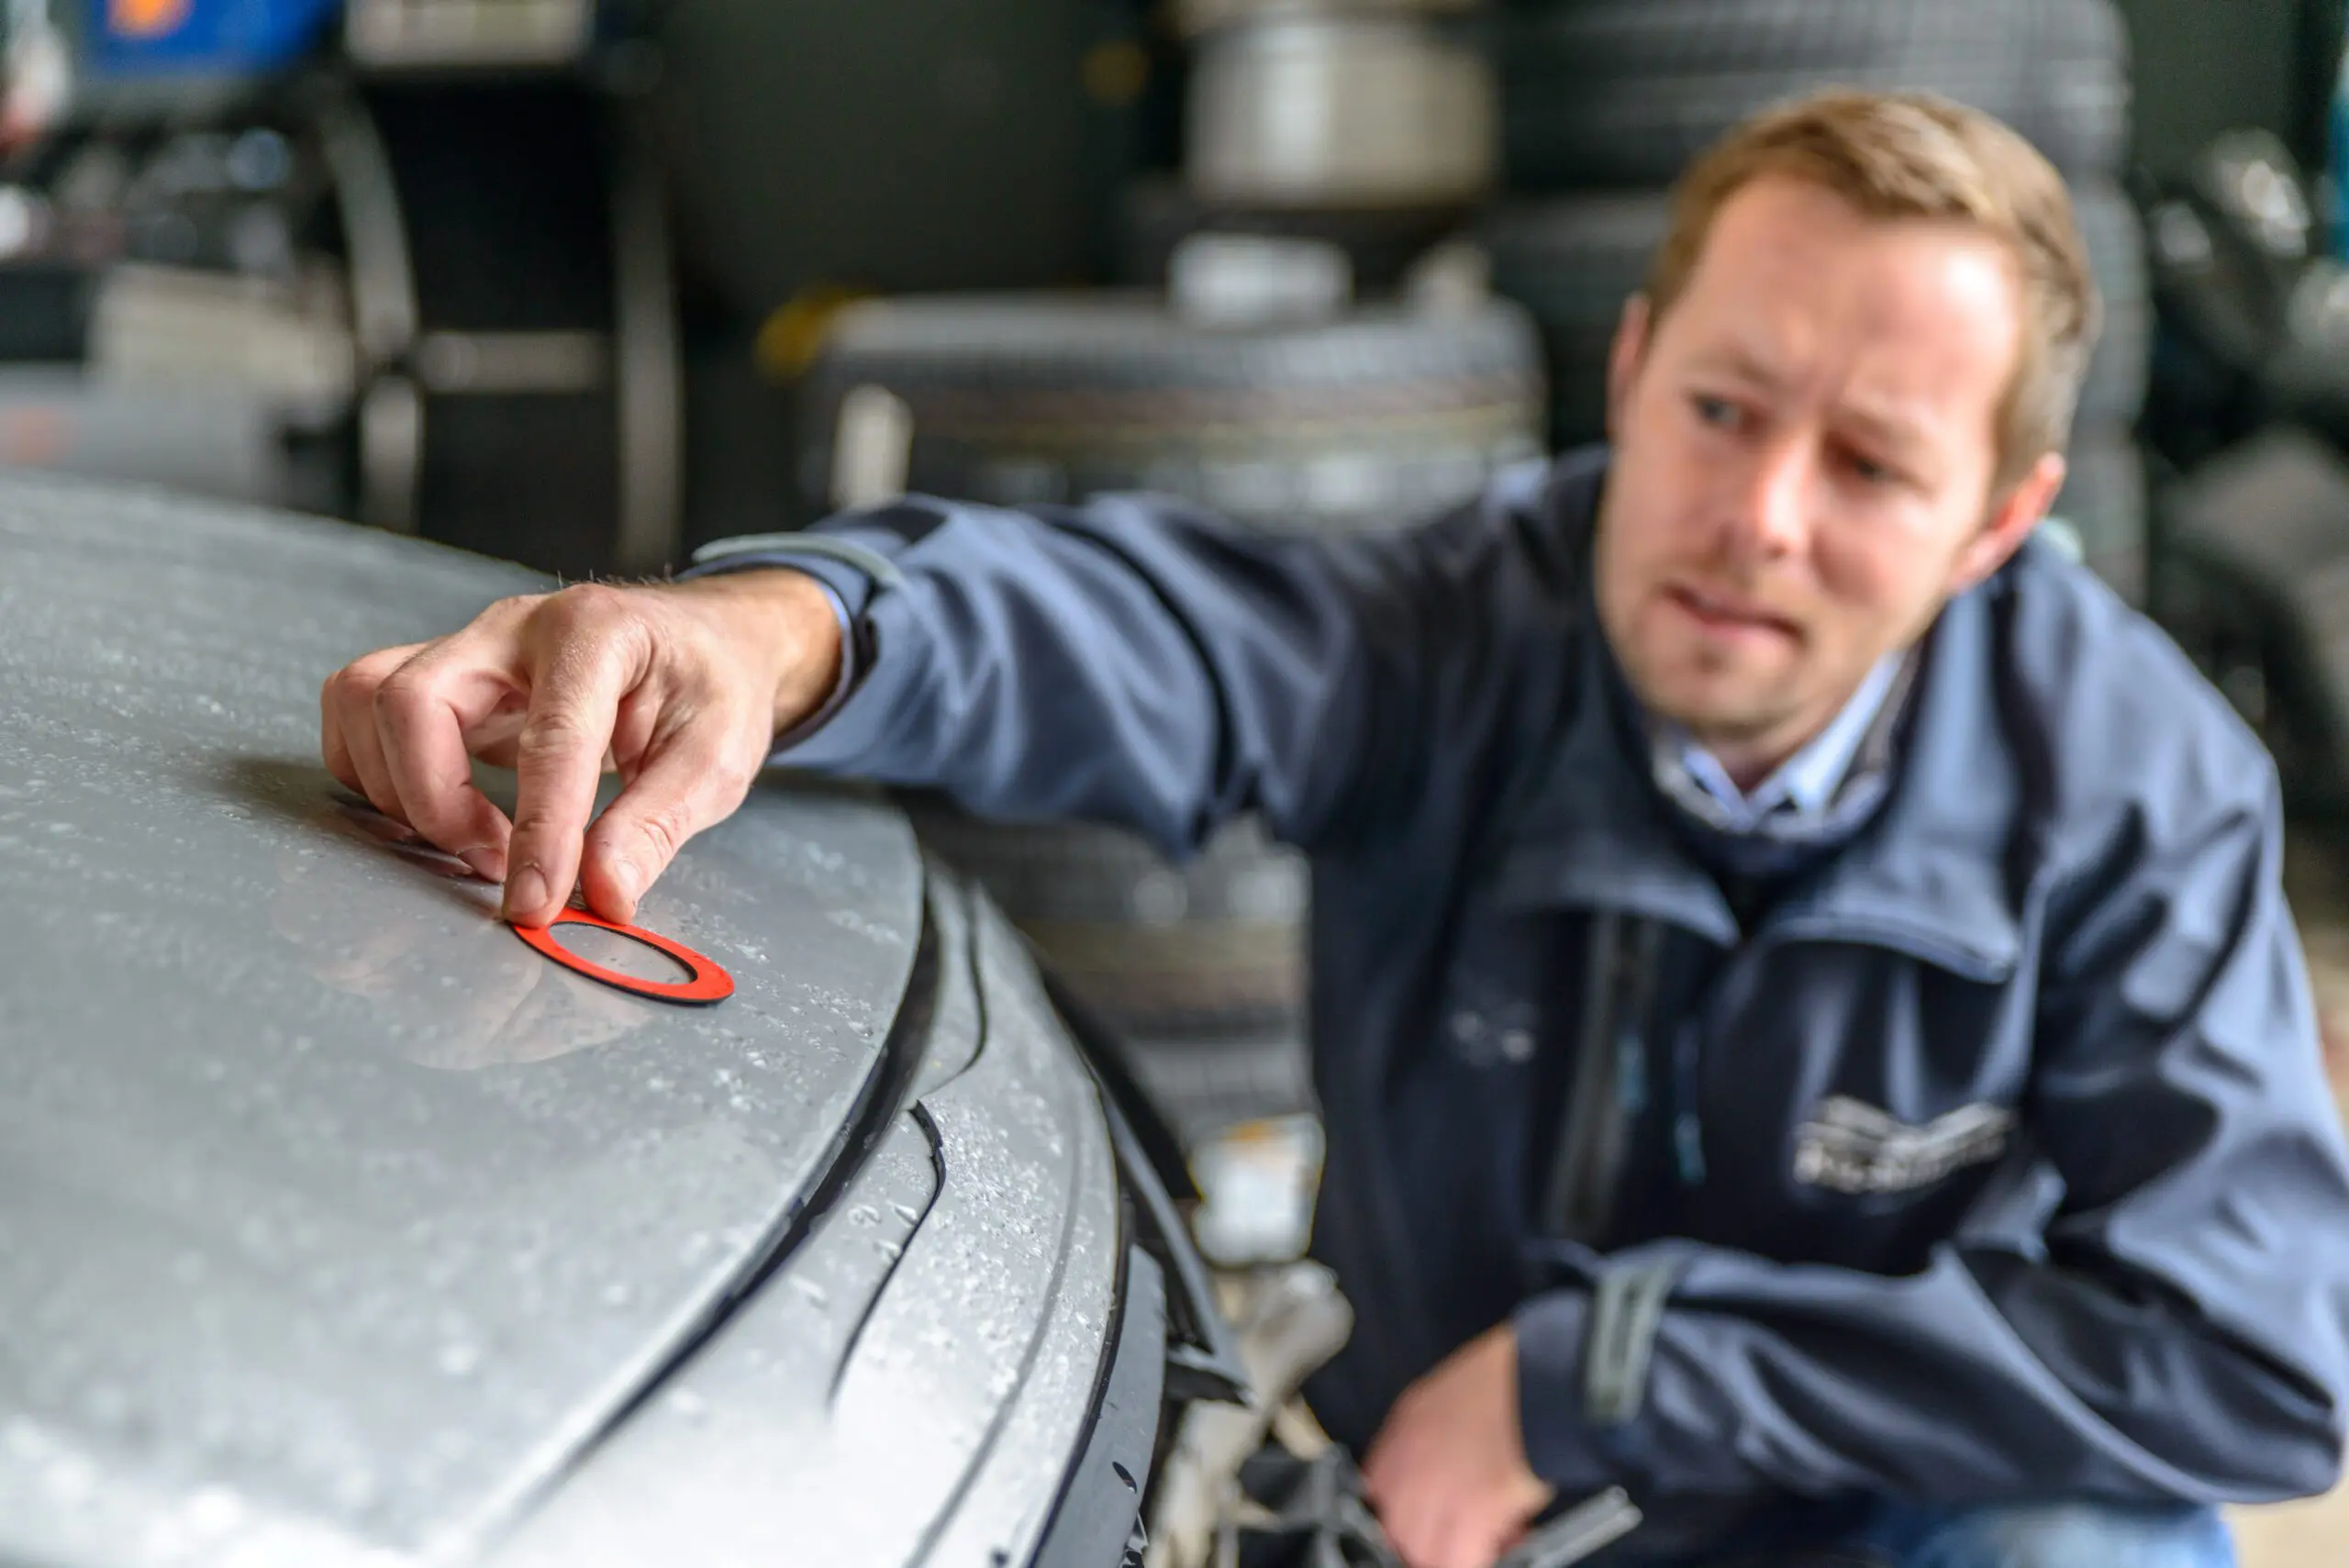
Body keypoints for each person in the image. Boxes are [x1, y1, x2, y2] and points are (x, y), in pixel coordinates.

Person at [320, 91, 2349, 1568]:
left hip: (1877, 1515)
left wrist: (1599, 1372)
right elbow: (1143, 626)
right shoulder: (1459, 626)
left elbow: (2250, 1356)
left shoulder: (2137, 788)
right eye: (1721, 407)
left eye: (1871, 464)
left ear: (2002, 523)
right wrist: (777, 632)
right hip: (1455, 1524)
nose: (1758, 518)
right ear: (1627, 372)